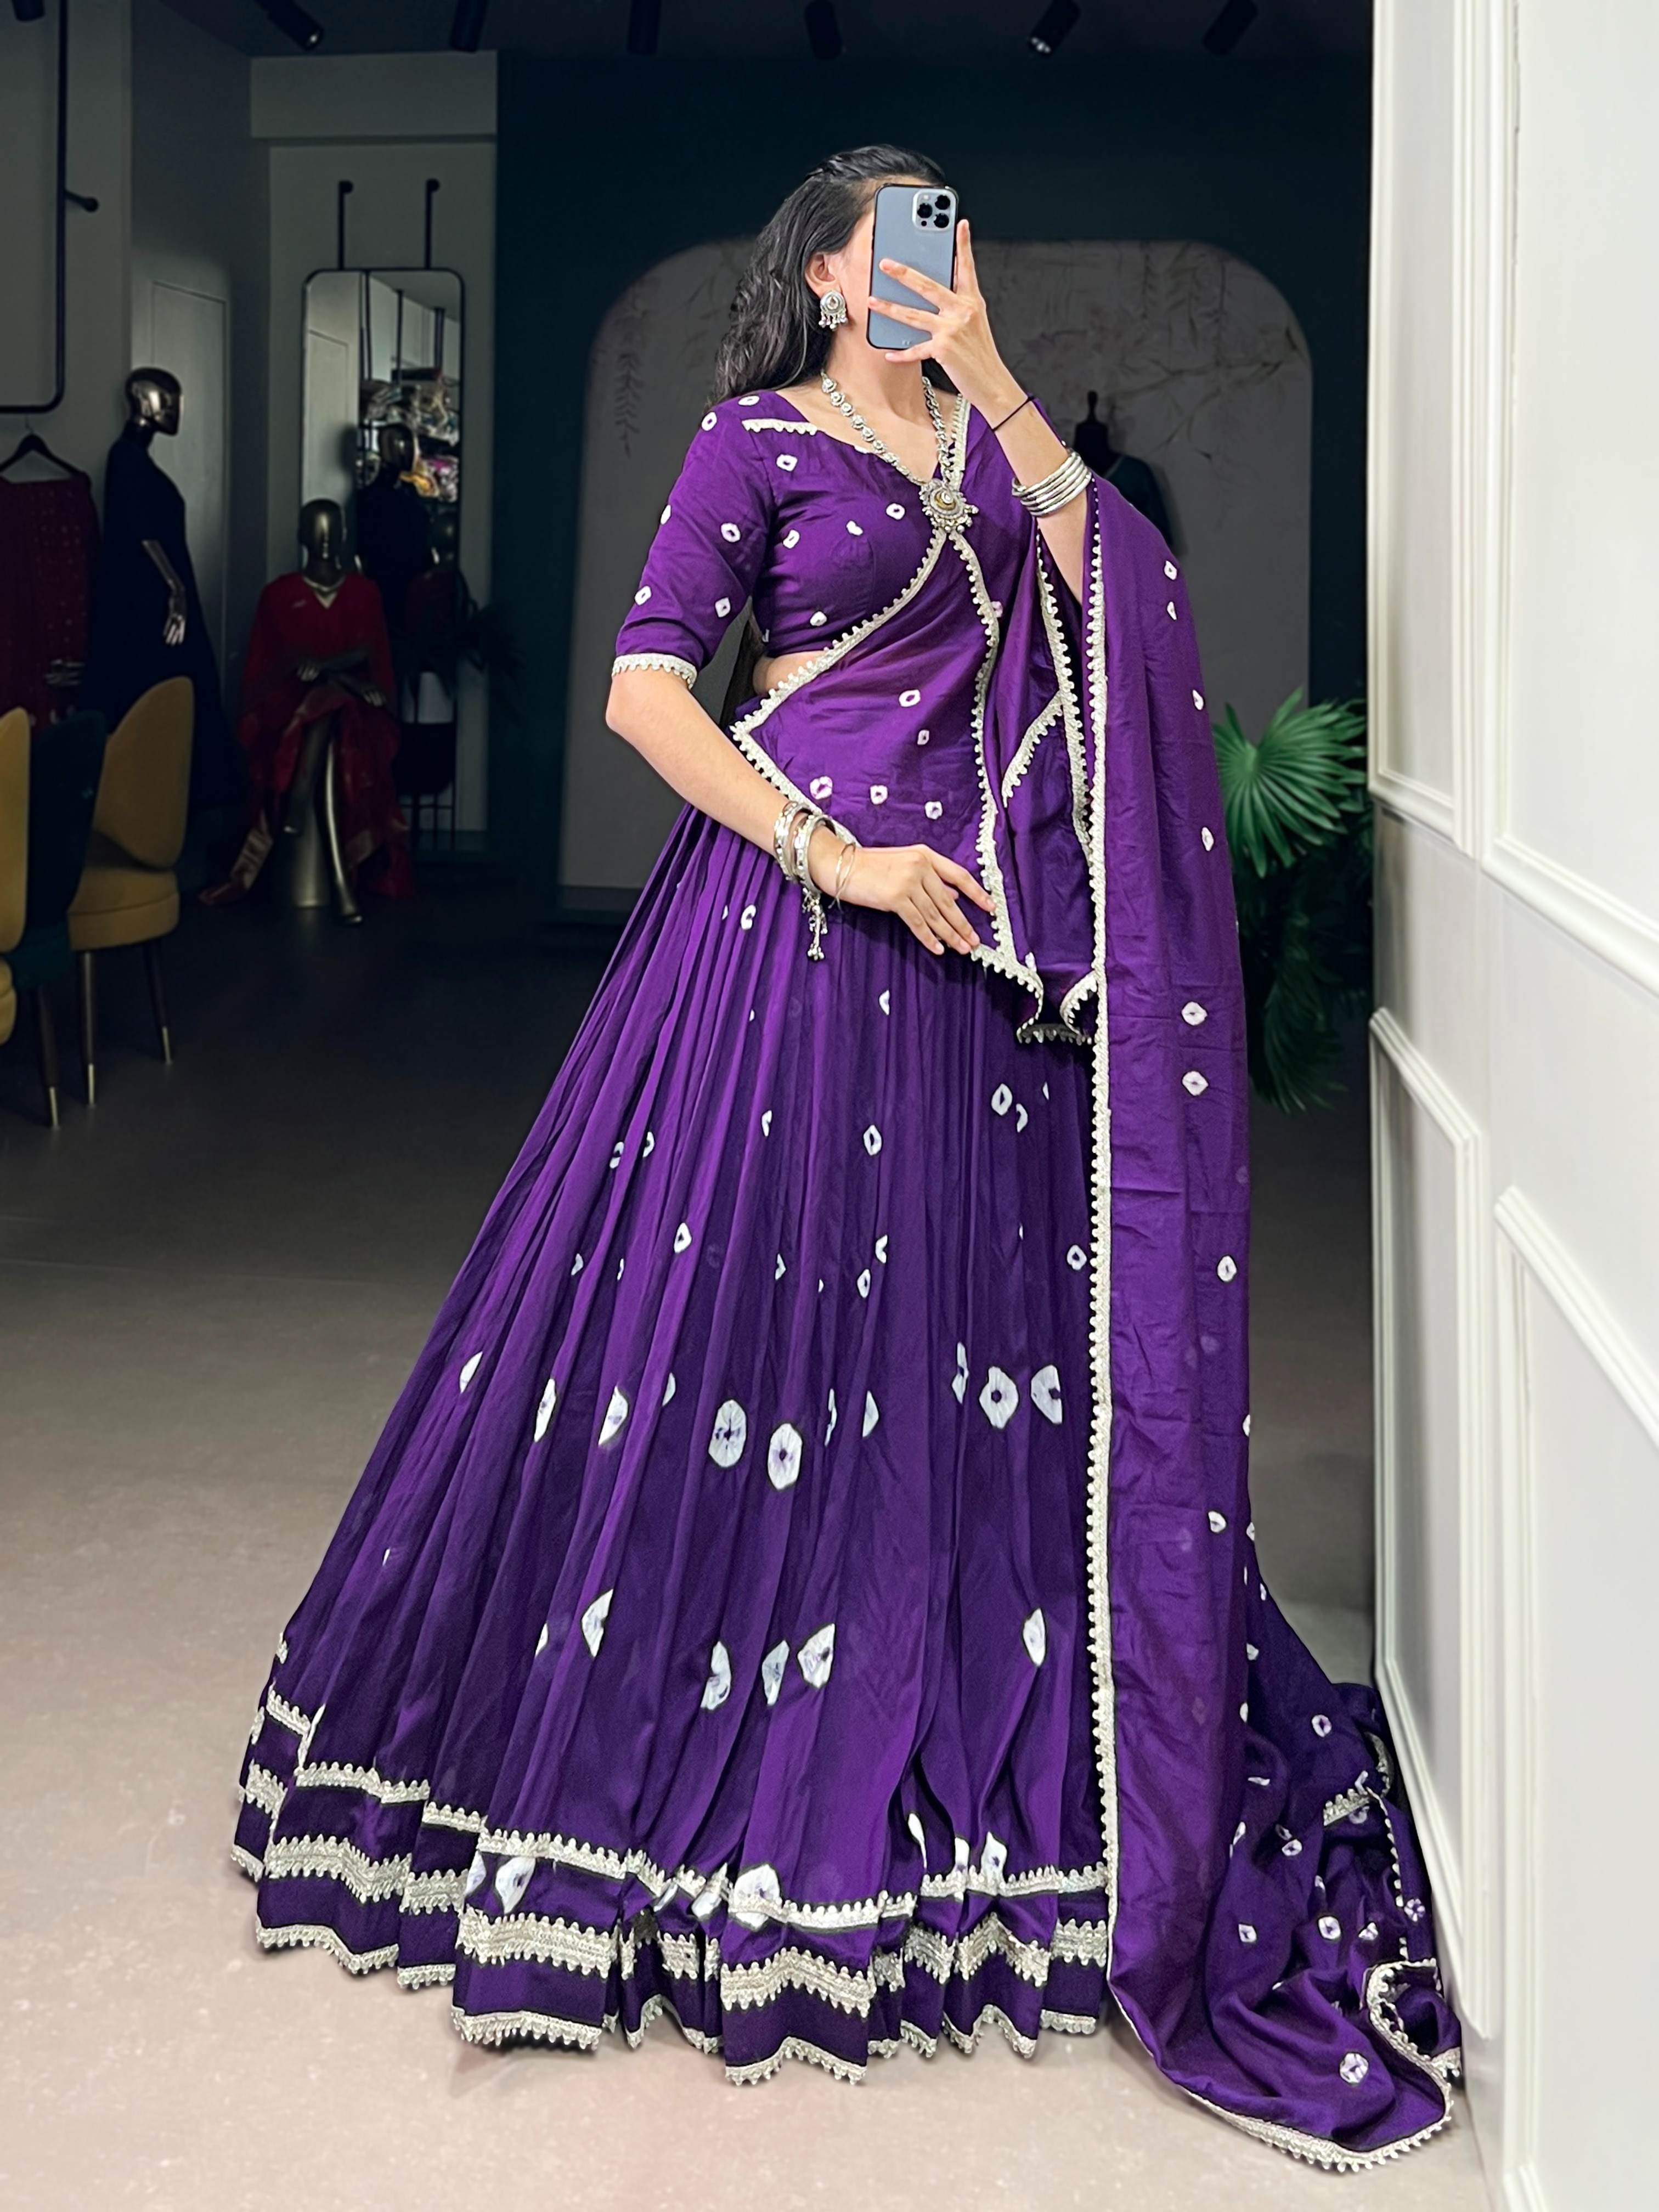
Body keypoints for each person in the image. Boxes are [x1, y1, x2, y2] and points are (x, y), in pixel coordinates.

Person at [232, 148, 1460, 2167]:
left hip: (986, 978)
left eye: (952, 240)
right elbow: (647, 694)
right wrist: (838, 854)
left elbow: (1129, 605)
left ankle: (983, 1727)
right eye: (897, 244)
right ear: (821, 276)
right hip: (800, 943)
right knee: (745, 1348)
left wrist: (993, 377)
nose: (928, 267)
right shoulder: (756, 444)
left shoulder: (1000, 453)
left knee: (976, 1367)